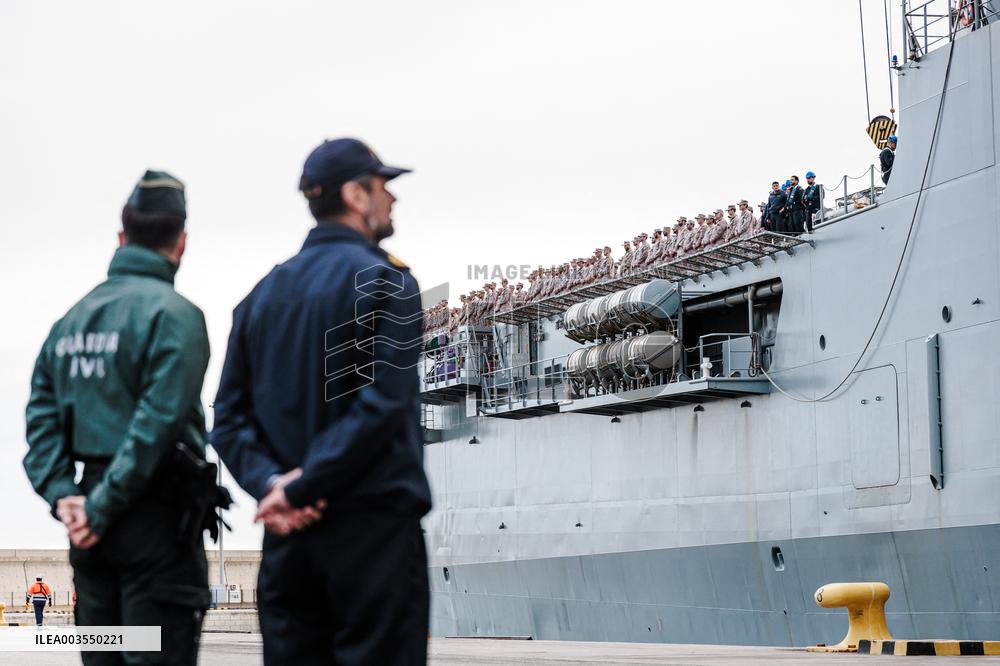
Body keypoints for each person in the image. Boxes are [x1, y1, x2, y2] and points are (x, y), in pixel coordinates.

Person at [211, 138, 432, 666]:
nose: (392, 198)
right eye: (382, 186)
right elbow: (383, 406)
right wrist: (304, 486)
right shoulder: (389, 283)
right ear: (355, 195)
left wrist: (273, 485)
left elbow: (227, 418)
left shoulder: (260, 297)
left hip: (288, 543)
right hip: (372, 537)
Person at [23, 171, 219, 664]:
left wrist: (66, 497)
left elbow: (40, 422)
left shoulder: (70, 322)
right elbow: (157, 425)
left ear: (121, 237)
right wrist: (102, 507)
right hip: (155, 522)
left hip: (90, 528)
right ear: (182, 242)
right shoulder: (176, 316)